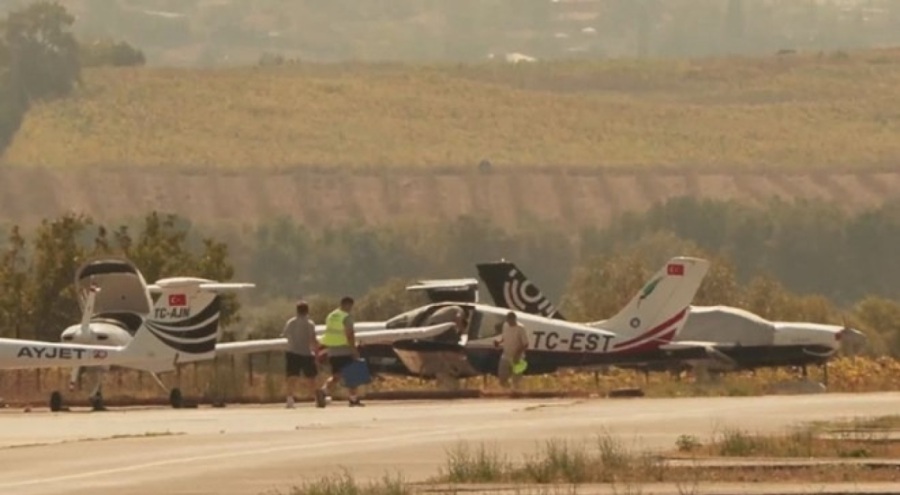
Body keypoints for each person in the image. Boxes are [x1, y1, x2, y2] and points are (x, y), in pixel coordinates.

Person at [315, 296, 364, 407]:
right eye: (351, 306)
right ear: (347, 304)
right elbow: (349, 334)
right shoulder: (346, 317)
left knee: (336, 375)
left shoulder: (331, 315)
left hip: (332, 350)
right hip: (344, 349)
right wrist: (354, 350)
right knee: (352, 374)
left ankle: (323, 391)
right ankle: (353, 399)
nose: (351, 308)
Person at [282, 300, 319, 408]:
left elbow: (285, 335)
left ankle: (289, 399)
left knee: (291, 377)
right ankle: (316, 398)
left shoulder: (290, 322)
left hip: (292, 352)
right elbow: (313, 339)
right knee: (311, 377)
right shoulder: (310, 323)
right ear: (307, 311)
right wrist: (317, 351)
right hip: (306, 353)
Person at [494, 311, 529, 390]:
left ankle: (516, 393)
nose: (509, 322)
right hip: (506, 355)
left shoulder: (520, 328)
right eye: (508, 320)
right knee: (502, 377)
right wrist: (499, 342)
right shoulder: (505, 326)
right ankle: (507, 391)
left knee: (516, 380)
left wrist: (517, 354)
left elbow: (525, 344)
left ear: (515, 319)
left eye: (511, 320)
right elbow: (504, 337)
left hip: (518, 358)